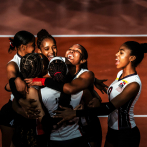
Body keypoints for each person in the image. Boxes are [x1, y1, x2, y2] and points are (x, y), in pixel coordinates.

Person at [53, 41, 147, 147]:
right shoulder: (120, 74)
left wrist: (75, 113)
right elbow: (117, 94)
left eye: (121, 52)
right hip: (112, 131)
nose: (116, 54)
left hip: (126, 134)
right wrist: (93, 80)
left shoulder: (134, 84)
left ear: (132, 58)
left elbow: (108, 108)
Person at [25, 43, 103, 147]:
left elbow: (69, 88)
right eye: (70, 49)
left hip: (87, 126)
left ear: (83, 60)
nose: (71, 51)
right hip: (72, 130)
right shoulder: (60, 68)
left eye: (77, 51)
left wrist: (42, 81)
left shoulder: (86, 74)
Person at [0, 30, 35, 147]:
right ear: (23, 47)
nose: (35, 48)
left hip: (29, 107)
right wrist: (15, 81)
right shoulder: (13, 63)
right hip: (13, 110)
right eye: (33, 45)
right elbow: (12, 79)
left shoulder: (34, 58)